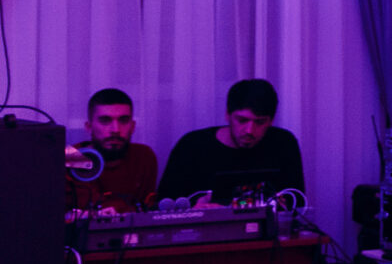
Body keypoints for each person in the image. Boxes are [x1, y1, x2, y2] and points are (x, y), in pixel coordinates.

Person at [157, 78, 306, 203]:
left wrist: (281, 205)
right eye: (242, 120)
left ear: (271, 121)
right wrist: (195, 208)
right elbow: (163, 204)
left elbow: (297, 200)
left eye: (260, 122)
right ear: (227, 115)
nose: (249, 130)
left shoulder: (283, 143)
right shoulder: (192, 146)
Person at [67, 87, 159, 212]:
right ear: (89, 127)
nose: (115, 129)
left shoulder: (144, 156)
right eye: (105, 121)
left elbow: (147, 210)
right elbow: (89, 208)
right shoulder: (73, 156)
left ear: (132, 127)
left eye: (123, 121)